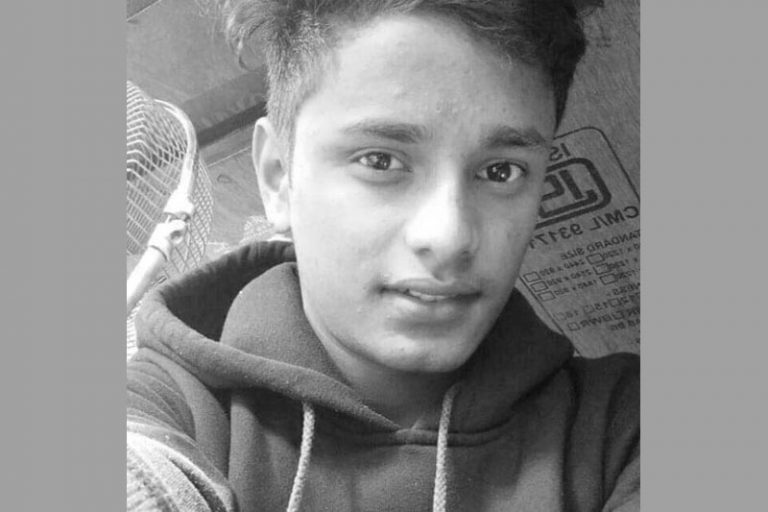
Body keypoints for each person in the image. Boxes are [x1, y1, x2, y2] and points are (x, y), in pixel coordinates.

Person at [127, 1, 639, 511]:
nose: (449, 236)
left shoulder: (623, 427)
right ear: (278, 177)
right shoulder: (166, 405)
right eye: (380, 160)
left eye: (501, 171)